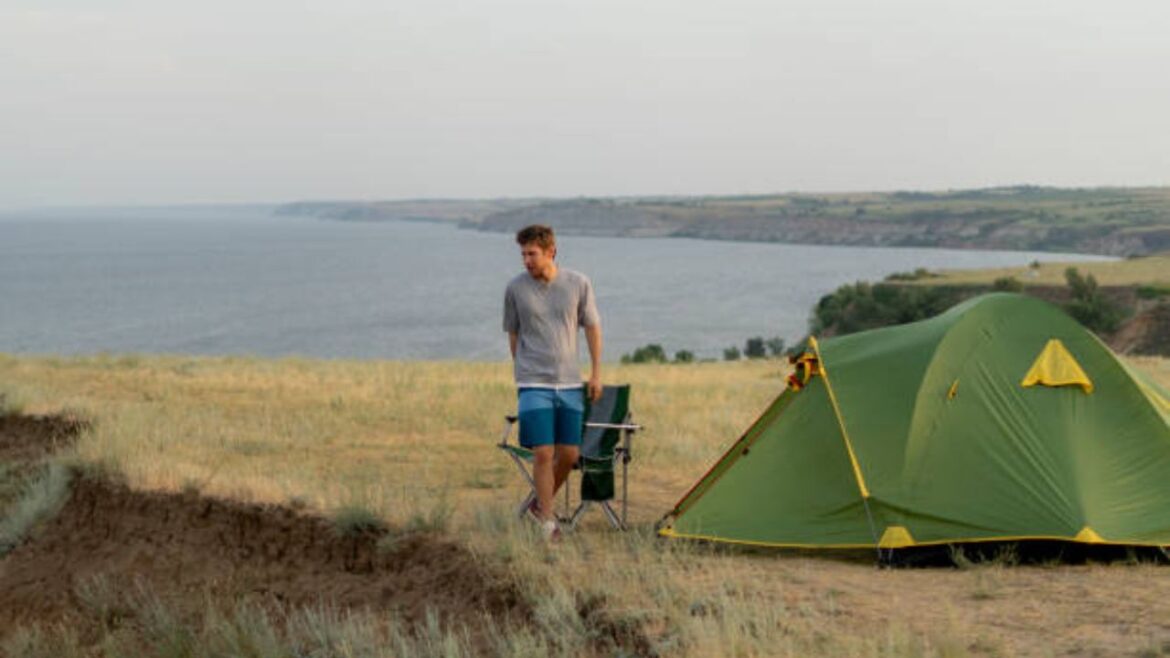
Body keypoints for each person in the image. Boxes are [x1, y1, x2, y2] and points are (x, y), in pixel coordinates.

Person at [503, 224, 602, 540]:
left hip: (570, 383)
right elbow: (514, 334)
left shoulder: (578, 283)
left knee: (570, 455)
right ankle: (548, 522)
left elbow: (592, 328)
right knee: (543, 453)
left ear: (551, 252)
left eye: (532, 254)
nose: (526, 261)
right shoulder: (515, 289)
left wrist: (596, 373)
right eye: (523, 254)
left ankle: (536, 505)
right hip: (533, 383)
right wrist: (523, 368)